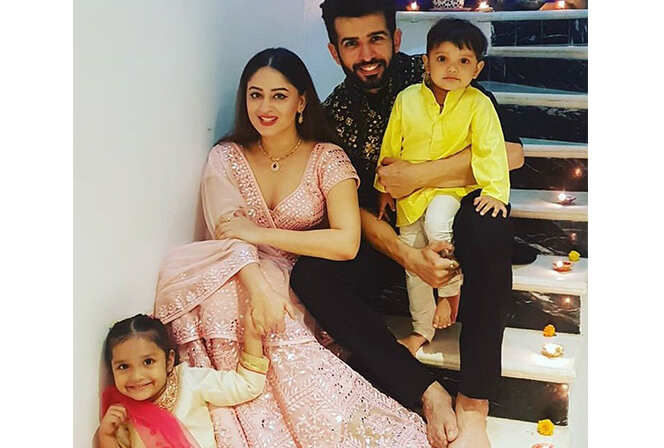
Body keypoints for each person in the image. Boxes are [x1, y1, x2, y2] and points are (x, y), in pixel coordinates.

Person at [153, 48, 432, 447]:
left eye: (279, 96)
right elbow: (228, 233)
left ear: (301, 101)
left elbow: (346, 242)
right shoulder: (225, 157)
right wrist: (258, 289)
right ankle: (234, 426)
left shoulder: (327, 158)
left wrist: (262, 235)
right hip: (239, 268)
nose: (265, 107)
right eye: (255, 95)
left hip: (300, 277)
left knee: (270, 309)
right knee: (222, 299)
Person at [289, 2, 524, 447]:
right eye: (351, 44)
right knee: (310, 274)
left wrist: (418, 176)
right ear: (334, 51)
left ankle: (473, 402)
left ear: (396, 38)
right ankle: (425, 391)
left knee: (488, 224)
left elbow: (511, 154)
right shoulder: (332, 115)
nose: (366, 55)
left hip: (456, 220)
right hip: (395, 234)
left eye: (376, 39)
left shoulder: (444, 63)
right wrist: (410, 257)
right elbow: (351, 208)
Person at [374, 18, 510, 356]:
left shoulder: (478, 104)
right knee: (413, 259)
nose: (452, 68)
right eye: (442, 58)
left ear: (477, 68)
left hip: (448, 191)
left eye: (463, 61)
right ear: (426, 61)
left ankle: (450, 294)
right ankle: (421, 329)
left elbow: (491, 149)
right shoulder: (406, 99)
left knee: (437, 226)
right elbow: (390, 146)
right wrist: (384, 189)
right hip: (408, 196)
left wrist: (495, 192)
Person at [95, 314, 269, 448]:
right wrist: (106, 436)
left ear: (169, 361)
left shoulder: (190, 381)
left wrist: (252, 336)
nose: (137, 376)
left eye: (148, 362)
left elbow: (246, 386)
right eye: (123, 366)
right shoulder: (123, 413)